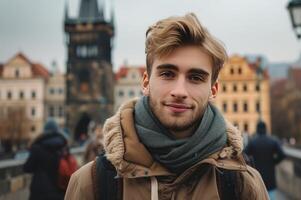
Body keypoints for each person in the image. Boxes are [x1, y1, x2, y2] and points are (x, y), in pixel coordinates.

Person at [65, 13, 268, 200]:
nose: (179, 91)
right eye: (167, 74)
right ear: (145, 82)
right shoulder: (91, 183)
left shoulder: (243, 184)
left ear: (213, 90)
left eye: (195, 78)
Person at [24, 119, 68, 200]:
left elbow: (27, 168)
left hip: (39, 191)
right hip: (59, 191)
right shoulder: (63, 147)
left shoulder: (37, 148)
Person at [244, 121, 286, 200]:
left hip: (257, 176)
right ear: (266, 129)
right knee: (271, 196)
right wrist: (274, 162)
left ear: (257, 129)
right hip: (270, 176)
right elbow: (282, 155)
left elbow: (244, 155)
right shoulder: (273, 141)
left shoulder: (253, 142)